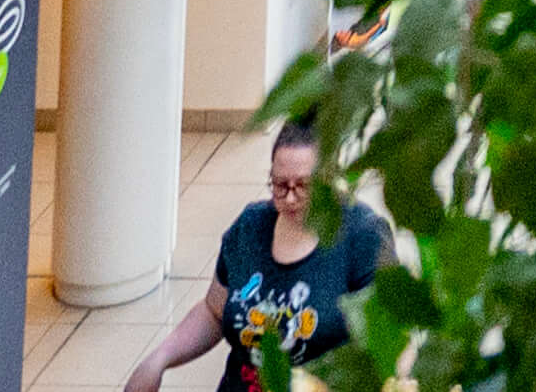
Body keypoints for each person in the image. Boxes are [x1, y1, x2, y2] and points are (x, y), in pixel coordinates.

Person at [133, 118, 390, 388]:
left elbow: (389, 340)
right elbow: (214, 311)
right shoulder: (250, 227)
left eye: (303, 186)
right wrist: (159, 359)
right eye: (280, 186)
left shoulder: (363, 236)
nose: (290, 198)